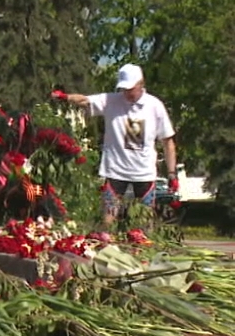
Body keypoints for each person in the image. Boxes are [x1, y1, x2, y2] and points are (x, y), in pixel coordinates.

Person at [52, 63, 179, 227]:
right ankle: (106, 244)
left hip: (144, 172)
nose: (127, 93)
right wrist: (65, 97)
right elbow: (85, 100)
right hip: (115, 170)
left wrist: (171, 173)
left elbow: (168, 142)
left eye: (131, 88)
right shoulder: (111, 100)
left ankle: (144, 247)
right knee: (108, 220)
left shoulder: (155, 106)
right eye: (124, 89)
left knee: (145, 223)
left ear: (141, 84)